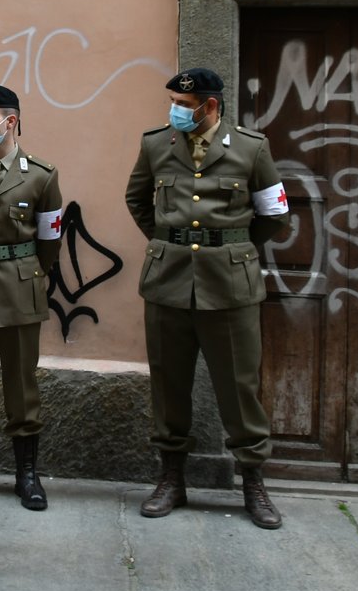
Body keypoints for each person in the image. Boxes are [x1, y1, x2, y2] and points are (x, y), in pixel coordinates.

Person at [124, 66, 291, 530]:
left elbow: (275, 214)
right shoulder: (157, 144)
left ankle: (253, 482)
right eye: (174, 103)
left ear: (210, 106)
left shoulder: (252, 148)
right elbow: (137, 199)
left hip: (230, 286)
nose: (175, 111)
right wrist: (168, 241)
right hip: (167, 283)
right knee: (169, 384)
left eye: (184, 105)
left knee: (239, 387)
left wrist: (233, 248)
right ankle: (171, 479)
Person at [0, 84, 63, 510]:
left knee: (22, 387)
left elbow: (50, 239)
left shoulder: (42, 174)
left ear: (10, 122)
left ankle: (26, 474)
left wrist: (31, 274)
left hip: (19, 284)